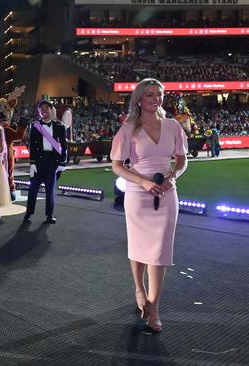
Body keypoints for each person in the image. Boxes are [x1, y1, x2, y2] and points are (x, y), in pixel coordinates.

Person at [110, 78, 188, 333]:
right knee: (139, 246)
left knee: (159, 251)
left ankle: (153, 307)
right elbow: (118, 165)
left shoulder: (173, 126)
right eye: (151, 95)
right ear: (139, 99)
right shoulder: (129, 128)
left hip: (166, 194)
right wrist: (142, 182)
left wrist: (173, 175)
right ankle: (139, 289)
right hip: (137, 194)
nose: (156, 99)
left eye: (160, 95)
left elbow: (181, 161)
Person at [23, 100, 67, 224]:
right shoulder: (35, 126)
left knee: (50, 190)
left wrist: (61, 163)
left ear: (51, 110)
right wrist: (32, 163)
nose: (44, 110)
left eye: (46, 108)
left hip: (52, 161)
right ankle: (28, 213)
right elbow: (31, 145)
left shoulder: (59, 126)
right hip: (38, 161)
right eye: (41, 108)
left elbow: (64, 146)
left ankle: (49, 215)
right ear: (39, 112)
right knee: (33, 190)